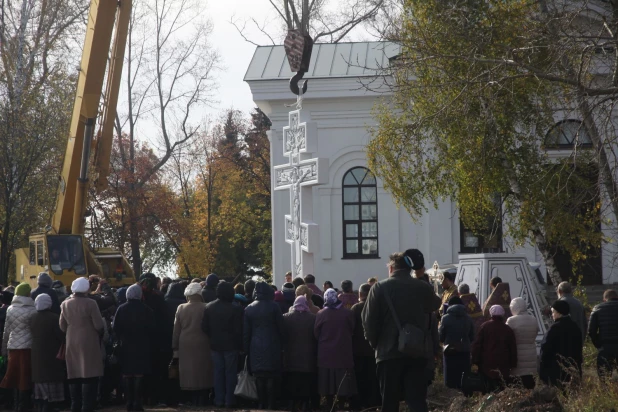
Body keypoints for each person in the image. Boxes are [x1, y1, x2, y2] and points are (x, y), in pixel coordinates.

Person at [362, 251, 441, 412]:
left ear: (391, 268)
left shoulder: (378, 288)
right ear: (410, 269)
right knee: (417, 402)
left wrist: (376, 344)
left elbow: (368, 322)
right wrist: (420, 276)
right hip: (416, 352)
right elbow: (435, 304)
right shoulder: (420, 287)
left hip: (388, 353)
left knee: (389, 403)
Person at [60, 277, 106, 412]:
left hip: (71, 341)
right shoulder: (91, 303)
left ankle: (75, 405)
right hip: (89, 341)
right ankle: (87, 406)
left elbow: (62, 326)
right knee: (89, 374)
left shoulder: (65, 304)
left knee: (74, 374)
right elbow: (98, 325)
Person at [112, 284, 156, 412]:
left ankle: (129, 402)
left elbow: (115, 328)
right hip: (142, 345)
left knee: (127, 374)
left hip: (125, 345)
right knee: (138, 374)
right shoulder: (147, 310)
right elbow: (152, 329)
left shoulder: (121, 309)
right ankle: (137, 402)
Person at [244, 282, 285, 410]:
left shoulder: (249, 308)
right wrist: (284, 343)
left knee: (259, 376)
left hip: (255, 344)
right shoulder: (274, 307)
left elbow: (246, 332)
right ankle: (271, 403)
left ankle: (261, 402)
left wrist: (245, 349)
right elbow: (281, 328)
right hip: (273, 343)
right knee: (271, 375)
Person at [202, 281, 243, 409]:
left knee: (218, 373)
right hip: (231, 345)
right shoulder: (236, 308)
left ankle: (218, 399)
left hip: (215, 344)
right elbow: (239, 330)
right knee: (230, 373)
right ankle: (229, 400)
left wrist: (212, 336)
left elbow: (204, 327)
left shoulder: (209, 307)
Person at [315, 289, 357, 410]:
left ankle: (329, 404)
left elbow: (316, 333)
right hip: (343, 351)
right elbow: (352, 329)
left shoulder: (321, 314)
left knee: (327, 380)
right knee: (342, 379)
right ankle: (341, 404)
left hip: (325, 353)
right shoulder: (348, 313)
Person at [172, 282, 213, 406]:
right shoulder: (207, 307)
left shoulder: (181, 307)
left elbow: (176, 330)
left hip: (185, 343)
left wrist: (175, 347)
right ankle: (203, 398)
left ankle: (192, 399)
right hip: (203, 342)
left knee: (189, 371)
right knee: (203, 370)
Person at [0, 283, 36, 411]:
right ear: (28, 293)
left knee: (13, 374)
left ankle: (15, 404)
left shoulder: (10, 309)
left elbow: (7, 331)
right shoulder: (33, 309)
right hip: (28, 347)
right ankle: (24, 405)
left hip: (13, 346)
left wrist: (4, 349)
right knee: (25, 376)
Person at [31, 294, 65, 412]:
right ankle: (51, 405)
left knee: (40, 380)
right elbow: (61, 336)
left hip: (36, 354)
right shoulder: (54, 318)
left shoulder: (32, 317)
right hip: (52, 355)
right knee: (52, 380)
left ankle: (41, 404)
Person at [471, 305, 517, 392]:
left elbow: (477, 345)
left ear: (491, 314)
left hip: (486, 366)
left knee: (488, 389)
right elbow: (512, 348)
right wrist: (513, 363)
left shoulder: (484, 326)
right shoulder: (507, 329)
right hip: (503, 366)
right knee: (501, 390)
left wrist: (475, 361)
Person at [283, 296, 317, 411]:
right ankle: (304, 404)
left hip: (290, 355)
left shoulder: (286, 317)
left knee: (292, 381)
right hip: (308, 356)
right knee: (305, 382)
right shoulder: (313, 318)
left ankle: (292, 404)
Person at [138, 273, 167, 406]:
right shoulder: (158, 297)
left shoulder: (138, 297)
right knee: (155, 370)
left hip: (141, 340)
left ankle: (141, 398)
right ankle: (154, 398)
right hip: (156, 340)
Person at [540, 300, 583, 388]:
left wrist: (542, 368)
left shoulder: (554, 328)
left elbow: (545, 348)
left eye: (553, 312)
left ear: (559, 313)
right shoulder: (575, 327)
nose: (552, 315)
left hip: (556, 371)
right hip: (573, 369)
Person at [350, 284, 380, 410]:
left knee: (360, 378)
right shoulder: (377, 307)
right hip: (374, 349)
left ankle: (360, 403)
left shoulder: (356, 308)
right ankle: (374, 402)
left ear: (360, 294)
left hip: (358, 350)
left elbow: (351, 327)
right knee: (373, 378)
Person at [439, 296, 475, 389]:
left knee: (450, 377)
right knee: (464, 377)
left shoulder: (445, 318)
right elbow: (472, 336)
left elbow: (441, 337)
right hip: (464, 351)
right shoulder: (468, 318)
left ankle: (451, 396)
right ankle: (465, 396)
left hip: (449, 350)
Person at [163, 281, 187, 406]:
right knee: (180, 369)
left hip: (165, 339)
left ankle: (167, 397)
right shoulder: (183, 304)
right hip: (180, 340)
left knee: (168, 369)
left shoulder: (164, 303)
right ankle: (180, 397)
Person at [505, 297, 538, 389]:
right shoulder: (533, 319)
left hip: (517, 355)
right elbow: (535, 333)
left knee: (517, 384)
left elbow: (507, 337)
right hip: (531, 353)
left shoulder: (511, 320)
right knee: (530, 384)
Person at [589, 289, 618, 380]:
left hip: (605, 348)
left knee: (604, 378)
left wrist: (598, 344)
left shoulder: (597, 308)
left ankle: (606, 393)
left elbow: (591, 331)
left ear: (604, 299)